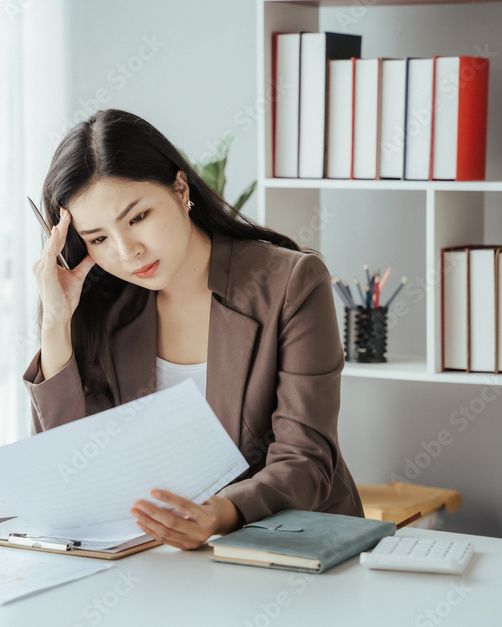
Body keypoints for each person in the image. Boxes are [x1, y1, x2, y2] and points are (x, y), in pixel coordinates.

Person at [25, 108, 362, 551]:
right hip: (159, 561)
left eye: (138, 217)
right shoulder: (100, 306)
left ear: (180, 188)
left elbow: (306, 460)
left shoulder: (290, 283)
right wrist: (55, 322)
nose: (128, 252)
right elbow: (72, 467)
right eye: (99, 239)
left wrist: (219, 514)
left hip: (291, 549)